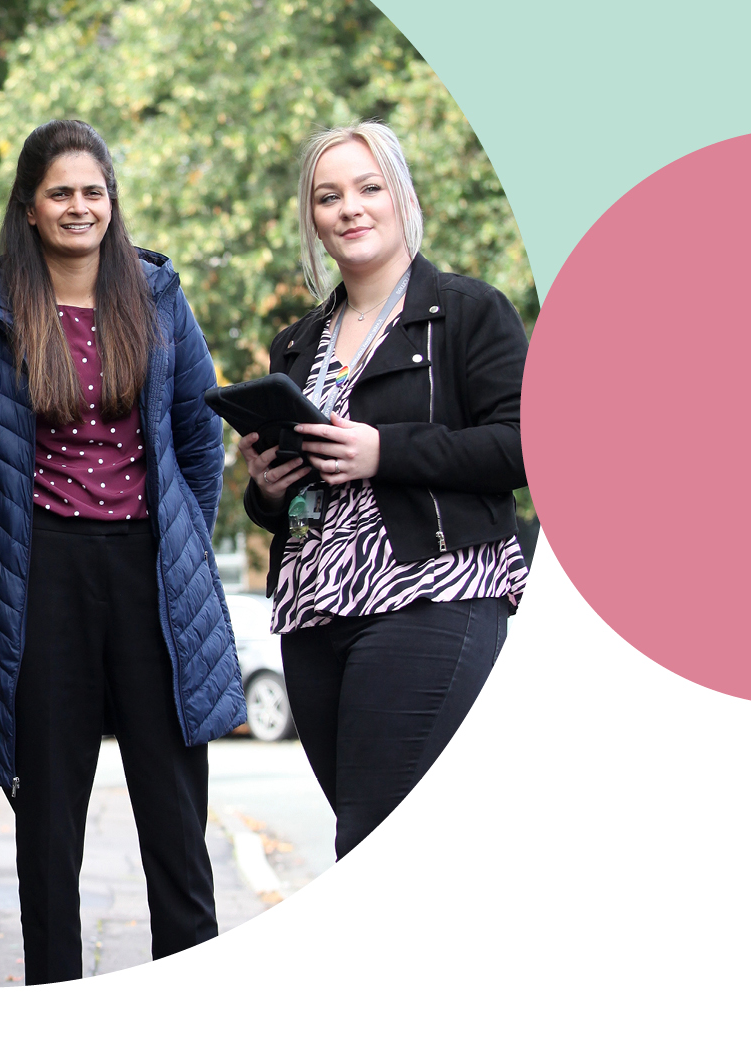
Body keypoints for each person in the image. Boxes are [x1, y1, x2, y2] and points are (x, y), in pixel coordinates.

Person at [0, 119, 246, 984]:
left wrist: (176, 534)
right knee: (48, 830)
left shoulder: (157, 297)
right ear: (29, 208)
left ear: (112, 202)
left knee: (177, 822)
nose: (79, 206)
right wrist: (10, 561)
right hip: (42, 575)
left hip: (151, 569)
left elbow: (196, 440)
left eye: (93, 191)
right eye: (60, 192)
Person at [238, 121, 527, 859]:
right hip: (313, 613)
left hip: (431, 596)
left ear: (400, 198)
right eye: (328, 196)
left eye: (368, 188)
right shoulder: (296, 344)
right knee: (395, 839)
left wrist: (382, 450)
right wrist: (266, 490)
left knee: (367, 838)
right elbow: (293, 497)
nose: (349, 208)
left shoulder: (467, 312)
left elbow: (524, 444)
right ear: (314, 222)